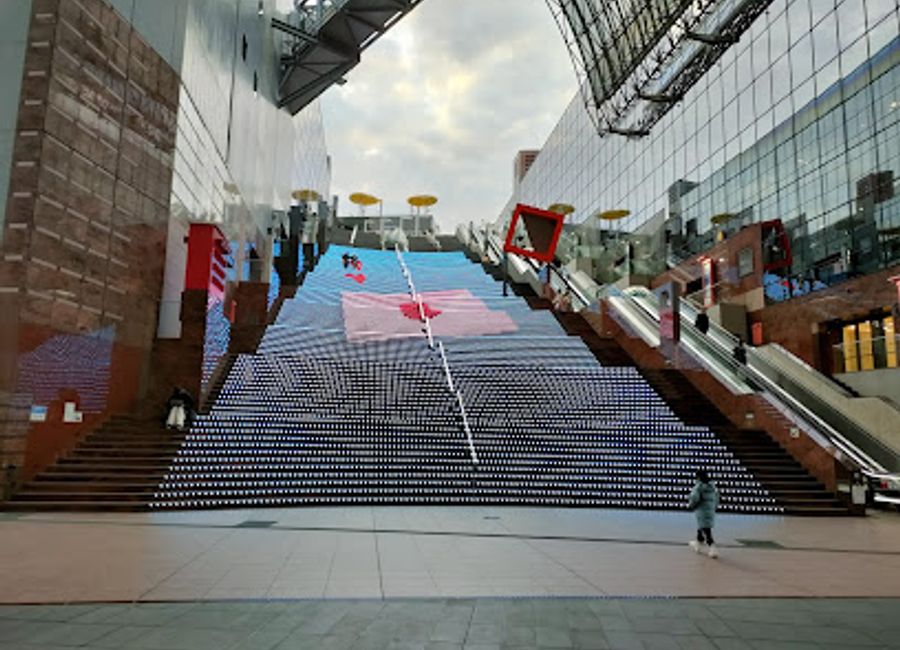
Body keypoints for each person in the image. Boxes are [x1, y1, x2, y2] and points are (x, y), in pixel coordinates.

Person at [688, 469, 720, 558]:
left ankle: (712, 548)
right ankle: (698, 542)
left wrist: (691, 505)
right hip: (710, 509)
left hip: (702, 510)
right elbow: (717, 498)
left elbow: (694, 497)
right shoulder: (713, 486)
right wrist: (714, 507)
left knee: (706, 530)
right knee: (701, 526)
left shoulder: (699, 486)